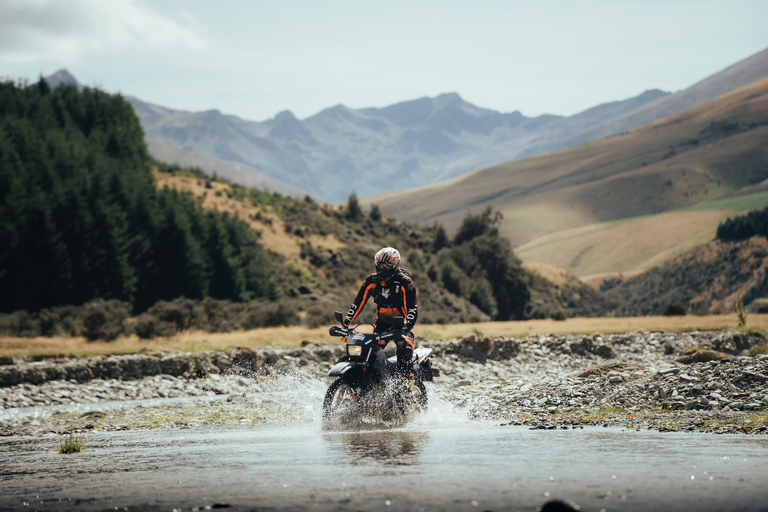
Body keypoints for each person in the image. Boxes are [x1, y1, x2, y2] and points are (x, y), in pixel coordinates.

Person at [342, 247, 418, 378]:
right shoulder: (371, 281)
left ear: (395, 266)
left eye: (387, 266)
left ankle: (407, 383)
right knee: (367, 352)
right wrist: (345, 324)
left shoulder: (405, 282)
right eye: (380, 265)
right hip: (381, 325)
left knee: (404, 347)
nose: (382, 269)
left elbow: (412, 309)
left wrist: (406, 327)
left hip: (401, 326)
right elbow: (357, 304)